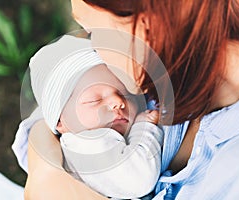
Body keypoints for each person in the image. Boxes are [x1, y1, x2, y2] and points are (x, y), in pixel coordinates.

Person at [12, 0, 239, 199]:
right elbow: (54, 107)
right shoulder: (157, 71)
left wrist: (47, 173)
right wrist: (45, 171)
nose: (93, 50)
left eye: (92, 33)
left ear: (147, 25)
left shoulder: (236, 173)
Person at [27, 35, 163, 199]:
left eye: (126, 94)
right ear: (60, 122)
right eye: (95, 100)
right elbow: (139, 179)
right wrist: (145, 128)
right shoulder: (85, 144)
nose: (118, 102)